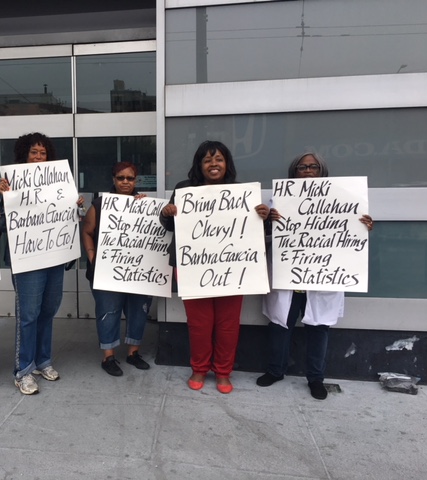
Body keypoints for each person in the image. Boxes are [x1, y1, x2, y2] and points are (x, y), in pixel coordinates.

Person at [256, 152, 374, 400]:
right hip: (288, 276)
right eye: (302, 167)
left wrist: (362, 226)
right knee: (279, 326)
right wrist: (269, 222)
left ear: (322, 172)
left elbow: (347, 236)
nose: (308, 171)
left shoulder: (341, 200)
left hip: (320, 277)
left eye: (314, 167)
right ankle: (275, 371)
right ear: (294, 171)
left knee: (318, 328)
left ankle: (316, 378)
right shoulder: (279, 199)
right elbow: (262, 234)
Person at [159, 140, 269, 394]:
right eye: (207, 160)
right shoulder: (184, 189)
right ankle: (199, 368)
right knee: (199, 323)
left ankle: (223, 372)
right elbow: (171, 227)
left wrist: (262, 217)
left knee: (228, 323)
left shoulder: (242, 193)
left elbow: (251, 232)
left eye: (218, 159)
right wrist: (167, 213)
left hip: (232, 268)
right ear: (199, 165)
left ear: (226, 163)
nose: (213, 164)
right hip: (193, 268)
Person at [0, 132, 84, 395]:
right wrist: (4, 199)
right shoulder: (8, 185)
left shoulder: (59, 185)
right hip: (27, 260)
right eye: (33, 152)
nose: (38, 156)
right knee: (29, 315)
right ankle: (23, 370)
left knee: (48, 311)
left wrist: (77, 206)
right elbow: (1, 225)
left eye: (42, 152)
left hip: (54, 257)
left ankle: (42, 361)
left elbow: (71, 220)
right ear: (24, 154)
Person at [81, 162, 152, 376]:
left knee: (138, 310)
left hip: (138, 271)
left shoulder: (145, 205)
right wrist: (93, 257)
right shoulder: (100, 205)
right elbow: (87, 231)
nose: (125, 182)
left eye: (130, 178)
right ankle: (108, 357)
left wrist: (148, 209)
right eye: (121, 178)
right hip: (106, 271)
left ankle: (133, 353)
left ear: (136, 181)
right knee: (108, 312)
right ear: (113, 179)